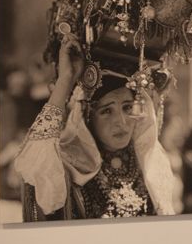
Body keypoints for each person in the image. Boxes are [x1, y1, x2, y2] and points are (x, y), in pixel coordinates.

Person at [14, 36, 176, 220]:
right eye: (107, 111)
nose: (121, 122)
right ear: (87, 117)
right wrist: (65, 81)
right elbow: (33, 166)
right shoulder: (69, 169)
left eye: (128, 107)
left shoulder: (151, 168)